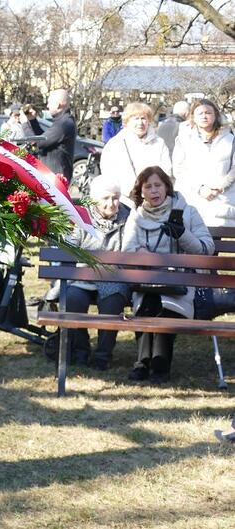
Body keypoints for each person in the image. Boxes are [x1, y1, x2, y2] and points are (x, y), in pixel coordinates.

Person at [122, 166, 214, 384]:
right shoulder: (135, 217)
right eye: (148, 187)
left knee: (166, 307)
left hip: (181, 282)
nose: (154, 191)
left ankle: (160, 367)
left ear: (167, 188)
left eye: (158, 185)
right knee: (146, 305)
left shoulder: (187, 211)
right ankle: (142, 364)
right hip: (148, 282)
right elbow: (126, 252)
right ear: (141, 191)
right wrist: (140, 254)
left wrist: (182, 234)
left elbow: (207, 248)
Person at [63, 176, 130, 370]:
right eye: (106, 198)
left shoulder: (129, 217)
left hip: (114, 278)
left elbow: (129, 251)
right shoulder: (81, 217)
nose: (112, 203)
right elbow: (69, 248)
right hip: (83, 277)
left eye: (115, 198)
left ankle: (103, 356)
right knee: (73, 299)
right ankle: (81, 351)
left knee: (113, 301)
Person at [172, 99, 235, 228]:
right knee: (191, 245)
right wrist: (200, 188)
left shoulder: (230, 139)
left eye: (208, 112)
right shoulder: (184, 139)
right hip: (192, 200)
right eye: (200, 113)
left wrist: (220, 186)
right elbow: (179, 169)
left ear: (215, 115)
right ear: (193, 117)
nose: (204, 116)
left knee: (215, 243)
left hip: (221, 201)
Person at [99, 102, 172, 204]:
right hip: (126, 200)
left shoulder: (159, 143)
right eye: (136, 119)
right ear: (127, 122)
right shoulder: (116, 143)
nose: (140, 123)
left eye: (143, 118)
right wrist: (129, 190)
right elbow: (108, 172)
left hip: (154, 199)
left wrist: (155, 189)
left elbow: (166, 170)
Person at [35, 88, 77, 182]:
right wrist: (32, 121)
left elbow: (40, 142)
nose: (47, 105)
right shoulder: (63, 121)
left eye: (49, 102)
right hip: (53, 175)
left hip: (55, 178)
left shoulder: (64, 124)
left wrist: (25, 123)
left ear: (58, 105)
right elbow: (44, 137)